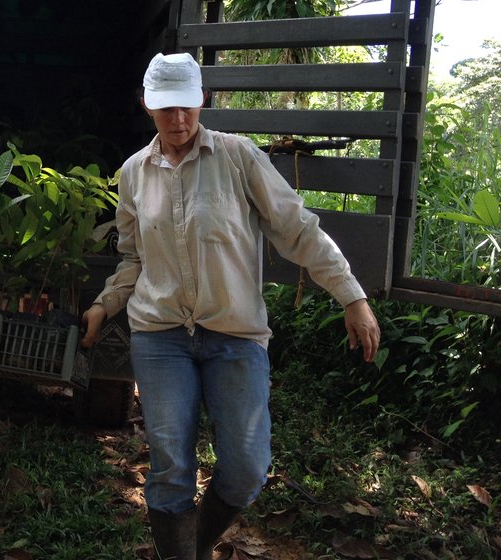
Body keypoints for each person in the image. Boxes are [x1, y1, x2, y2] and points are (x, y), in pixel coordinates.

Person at [80, 52, 381, 560]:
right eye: (165, 108)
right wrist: (105, 304)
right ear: (147, 107)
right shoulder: (133, 173)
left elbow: (297, 230)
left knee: (245, 468)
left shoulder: (238, 157)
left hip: (235, 335)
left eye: (187, 106)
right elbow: (133, 257)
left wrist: (352, 295)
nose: (178, 120)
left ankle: (194, 546)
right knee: (171, 466)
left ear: (202, 100)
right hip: (160, 336)